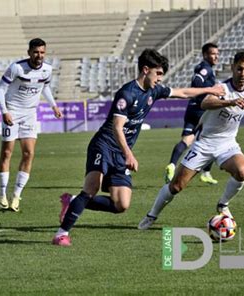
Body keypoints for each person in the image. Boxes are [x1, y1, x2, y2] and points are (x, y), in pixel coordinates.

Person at [52, 49, 225, 246]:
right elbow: (117, 127)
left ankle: (73, 201)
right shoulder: (127, 93)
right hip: (104, 146)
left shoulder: (154, 91)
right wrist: (129, 154)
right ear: (145, 70)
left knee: (121, 205)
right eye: (158, 73)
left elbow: (183, 92)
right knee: (91, 187)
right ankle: (61, 234)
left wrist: (209, 90)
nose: (160, 78)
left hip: (121, 152)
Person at [138, 51, 244, 230]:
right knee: (176, 186)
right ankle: (151, 215)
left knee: (242, 172)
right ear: (233, 68)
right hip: (204, 144)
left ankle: (223, 205)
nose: (242, 74)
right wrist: (230, 102)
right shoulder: (222, 89)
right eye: (239, 69)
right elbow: (205, 103)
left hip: (228, 144)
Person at [0, 38, 62, 212]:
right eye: (36, 52)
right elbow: (0, 89)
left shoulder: (47, 69)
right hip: (12, 112)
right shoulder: (17, 68)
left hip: (30, 114)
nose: (39, 55)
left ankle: (16, 196)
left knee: (29, 153)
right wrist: (4, 111)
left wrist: (53, 105)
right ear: (29, 52)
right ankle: (2, 193)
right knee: (7, 152)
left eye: (42, 52)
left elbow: (45, 87)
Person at [164, 43, 220, 185]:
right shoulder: (205, 68)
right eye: (213, 53)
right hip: (201, 110)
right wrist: (210, 90)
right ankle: (205, 172)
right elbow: (197, 81)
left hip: (192, 108)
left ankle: (172, 164)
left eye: (217, 53)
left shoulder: (203, 67)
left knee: (187, 140)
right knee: (213, 139)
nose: (216, 56)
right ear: (205, 55)